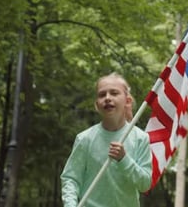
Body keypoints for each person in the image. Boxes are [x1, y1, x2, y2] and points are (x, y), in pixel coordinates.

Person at [60, 73, 152, 207]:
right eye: (102, 94)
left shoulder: (140, 138)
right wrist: (70, 205)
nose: (107, 98)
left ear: (127, 101)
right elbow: (71, 178)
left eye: (114, 93)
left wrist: (123, 159)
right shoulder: (85, 138)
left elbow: (145, 184)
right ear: (97, 104)